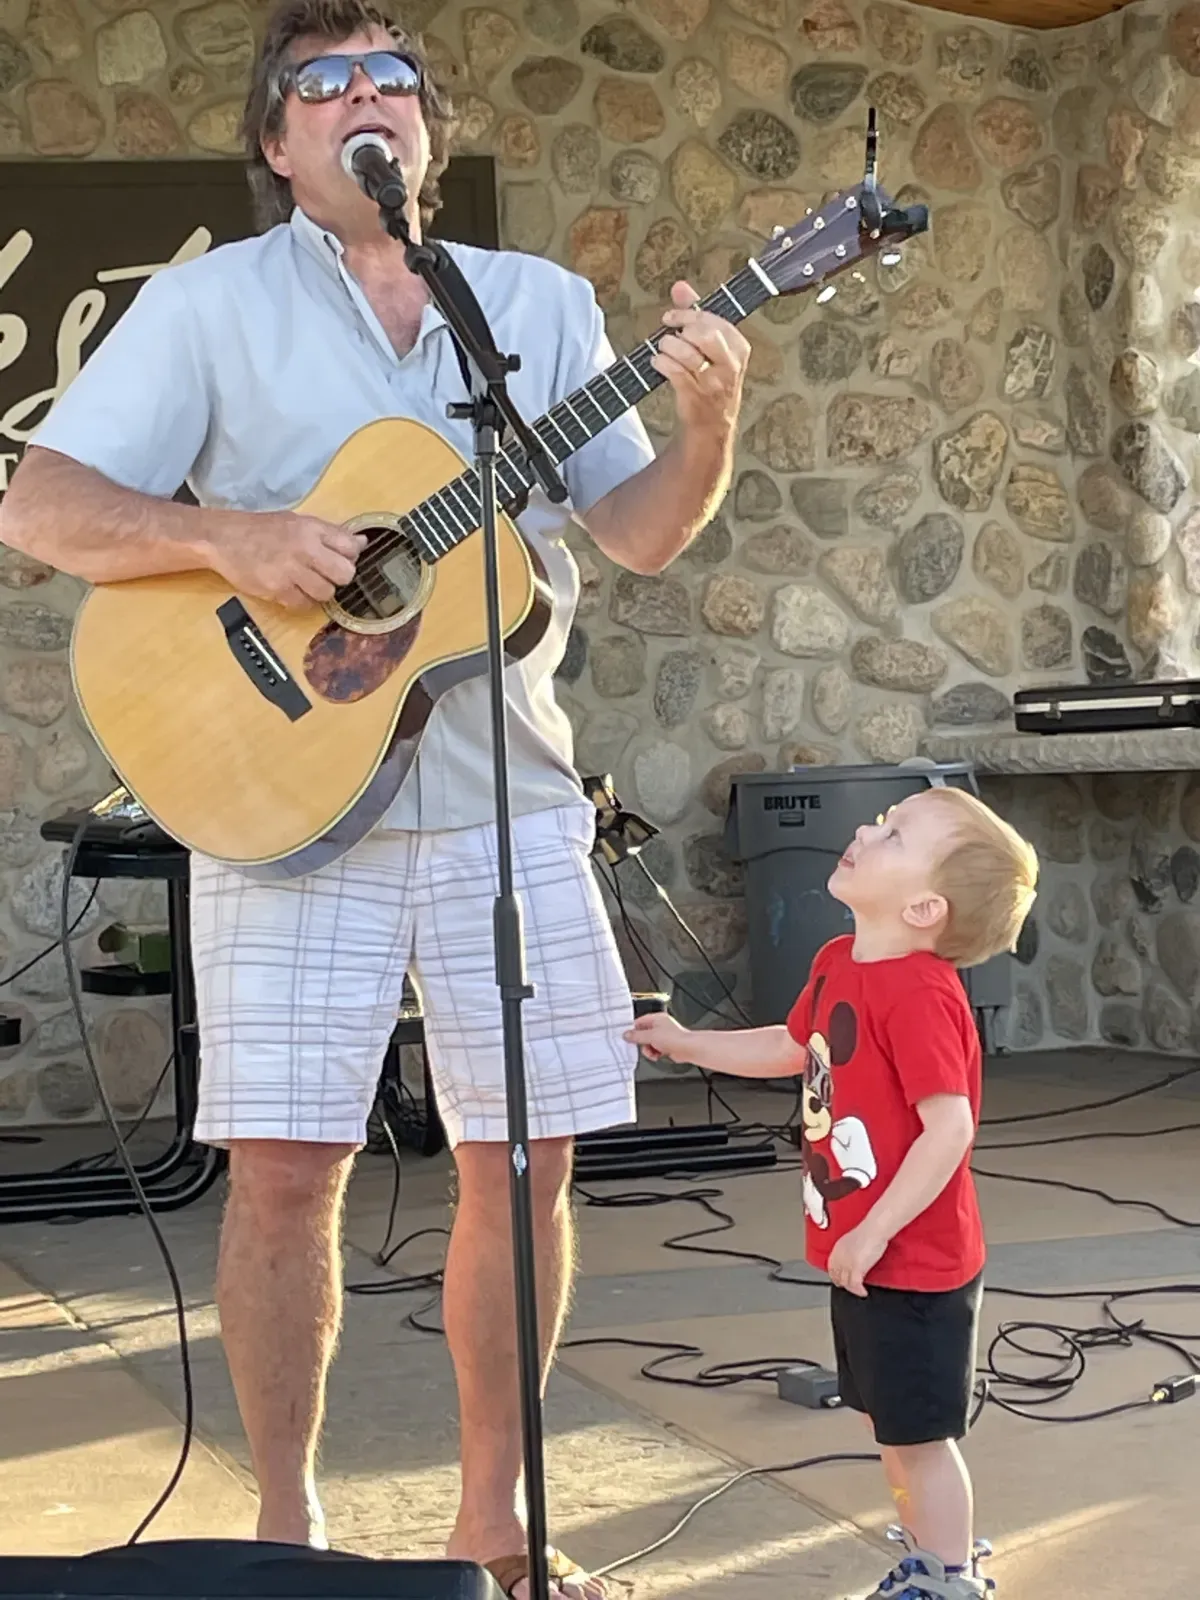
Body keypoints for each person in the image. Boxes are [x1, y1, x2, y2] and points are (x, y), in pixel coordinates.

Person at [0, 2, 751, 1592]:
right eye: (325, 83)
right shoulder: (209, 307)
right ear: (278, 145)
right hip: (280, 792)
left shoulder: (535, 305)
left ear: (431, 130)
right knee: (282, 1165)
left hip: (513, 794)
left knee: (524, 1156)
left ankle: (498, 1513)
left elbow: (633, 537)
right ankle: (290, 1527)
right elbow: (42, 501)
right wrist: (236, 540)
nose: (367, 99)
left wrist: (712, 422)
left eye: (392, 78)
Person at [628, 786, 1039, 1600]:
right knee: (886, 1425)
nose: (863, 829)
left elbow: (948, 1130)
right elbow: (790, 1046)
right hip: (867, 1253)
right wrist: (685, 1044)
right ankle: (925, 1556)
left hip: (915, 1260)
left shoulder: (921, 995)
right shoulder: (837, 963)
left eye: (892, 835)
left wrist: (877, 1231)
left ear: (925, 908)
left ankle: (951, 1578)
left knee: (919, 1436)